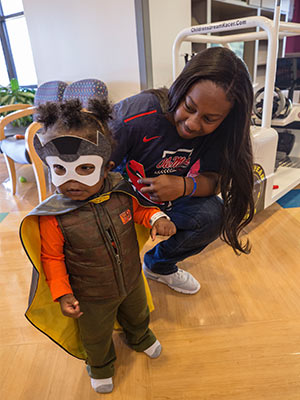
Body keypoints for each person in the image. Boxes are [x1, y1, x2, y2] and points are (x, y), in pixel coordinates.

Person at [20, 98, 176, 394]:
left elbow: (140, 210)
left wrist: (156, 217)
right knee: (95, 334)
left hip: (130, 279)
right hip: (90, 295)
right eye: (60, 171)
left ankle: (140, 337)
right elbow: (51, 257)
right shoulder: (54, 217)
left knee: (138, 312)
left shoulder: (120, 191)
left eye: (85, 169)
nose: (72, 182)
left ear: (107, 169)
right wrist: (62, 292)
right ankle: (101, 366)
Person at [110, 46, 255, 295]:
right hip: (121, 202)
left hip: (166, 204)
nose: (192, 124)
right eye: (189, 106)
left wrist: (184, 186)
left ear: (225, 120)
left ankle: (158, 265)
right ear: (180, 88)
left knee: (213, 214)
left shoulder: (221, 133)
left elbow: (215, 181)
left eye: (209, 119)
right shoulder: (134, 114)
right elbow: (95, 177)